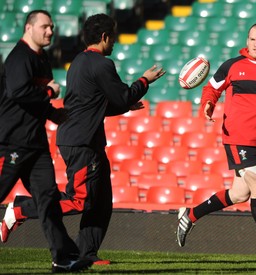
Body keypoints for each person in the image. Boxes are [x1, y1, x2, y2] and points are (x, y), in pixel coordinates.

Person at [1, 13, 165, 265]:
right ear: (104, 37)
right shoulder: (101, 64)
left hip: (84, 140)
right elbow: (121, 97)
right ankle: (21, 209)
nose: (115, 43)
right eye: (113, 37)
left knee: (101, 202)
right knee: (80, 200)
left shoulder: (78, 62)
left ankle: (86, 254)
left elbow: (96, 104)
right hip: (82, 142)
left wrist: (126, 105)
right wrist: (144, 81)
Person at [176, 22, 256, 262]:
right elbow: (212, 89)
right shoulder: (232, 66)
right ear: (247, 40)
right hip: (237, 138)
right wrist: (208, 104)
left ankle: (190, 215)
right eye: (252, 39)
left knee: (239, 194)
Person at [0, 10, 93, 272]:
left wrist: (53, 113)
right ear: (29, 28)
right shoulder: (20, 57)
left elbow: (36, 102)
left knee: (49, 200)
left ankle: (62, 258)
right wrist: (50, 91)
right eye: (44, 27)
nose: (50, 31)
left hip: (36, 145)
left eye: (52, 27)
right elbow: (18, 92)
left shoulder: (41, 59)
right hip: (13, 143)